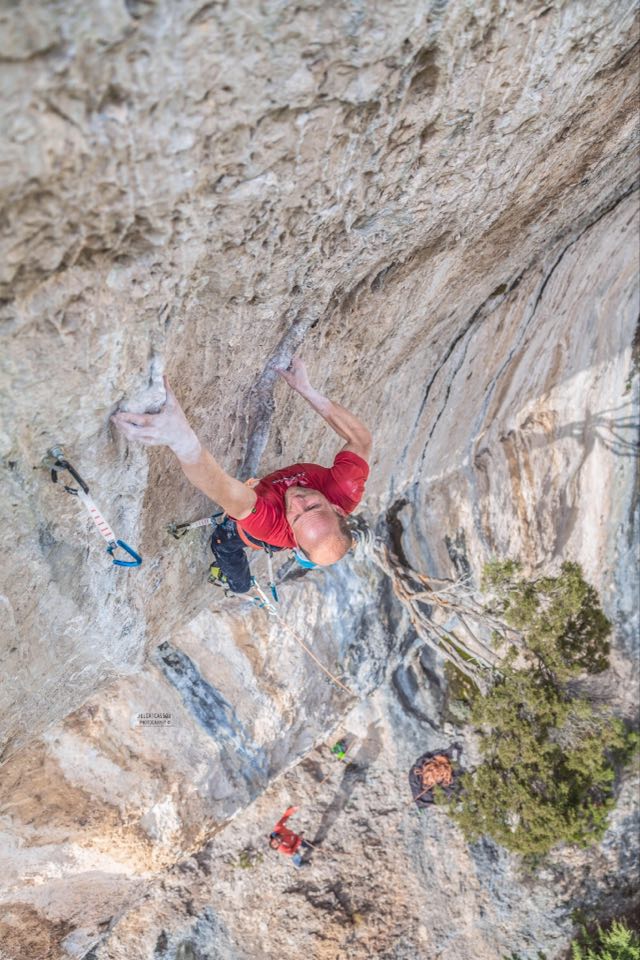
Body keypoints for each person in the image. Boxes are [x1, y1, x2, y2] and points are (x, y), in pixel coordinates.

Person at [111, 358, 372, 585]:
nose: (297, 501)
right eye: (314, 506)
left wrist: (179, 437)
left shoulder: (268, 525)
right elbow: (361, 439)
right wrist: (306, 390)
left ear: (291, 533)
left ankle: (237, 583)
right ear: (337, 509)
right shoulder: (345, 491)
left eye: (296, 516)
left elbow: (221, 487)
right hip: (265, 494)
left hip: (245, 530)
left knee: (224, 544)